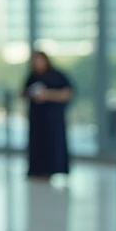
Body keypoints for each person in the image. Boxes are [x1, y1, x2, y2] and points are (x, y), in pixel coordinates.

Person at [22, 50, 73, 179]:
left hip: (53, 118)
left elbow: (67, 93)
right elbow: (23, 92)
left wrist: (47, 95)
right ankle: (37, 171)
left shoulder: (57, 75)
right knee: (37, 145)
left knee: (54, 145)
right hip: (37, 119)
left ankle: (55, 170)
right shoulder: (32, 76)